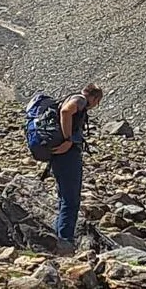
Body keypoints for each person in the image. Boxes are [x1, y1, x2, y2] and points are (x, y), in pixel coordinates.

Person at [48, 83, 103, 248]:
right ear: (94, 97)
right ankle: (65, 242)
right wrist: (68, 140)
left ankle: (56, 238)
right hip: (68, 155)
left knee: (64, 197)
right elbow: (66, 112)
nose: (95, 105)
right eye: (97, 101)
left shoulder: (71, 97)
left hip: (59, 156)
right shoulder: (80, 100)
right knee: (71, 200)